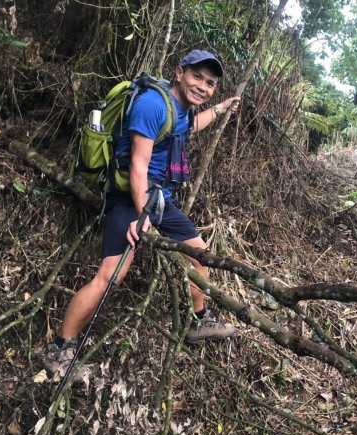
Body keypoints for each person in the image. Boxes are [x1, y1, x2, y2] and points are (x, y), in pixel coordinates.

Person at [44, 50, 240, 380]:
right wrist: (140, 215)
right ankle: (61, 349)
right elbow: (137, 166)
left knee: (200, 254)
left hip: (159, 198)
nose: (202, 87)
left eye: (210, 84)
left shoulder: (180, 109)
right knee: (110, 277)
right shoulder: (153, 105)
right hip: (129, 198)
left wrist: (220, 109)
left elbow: (192, 125)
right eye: (197, 77)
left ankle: (198, 320)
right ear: (179, 73)